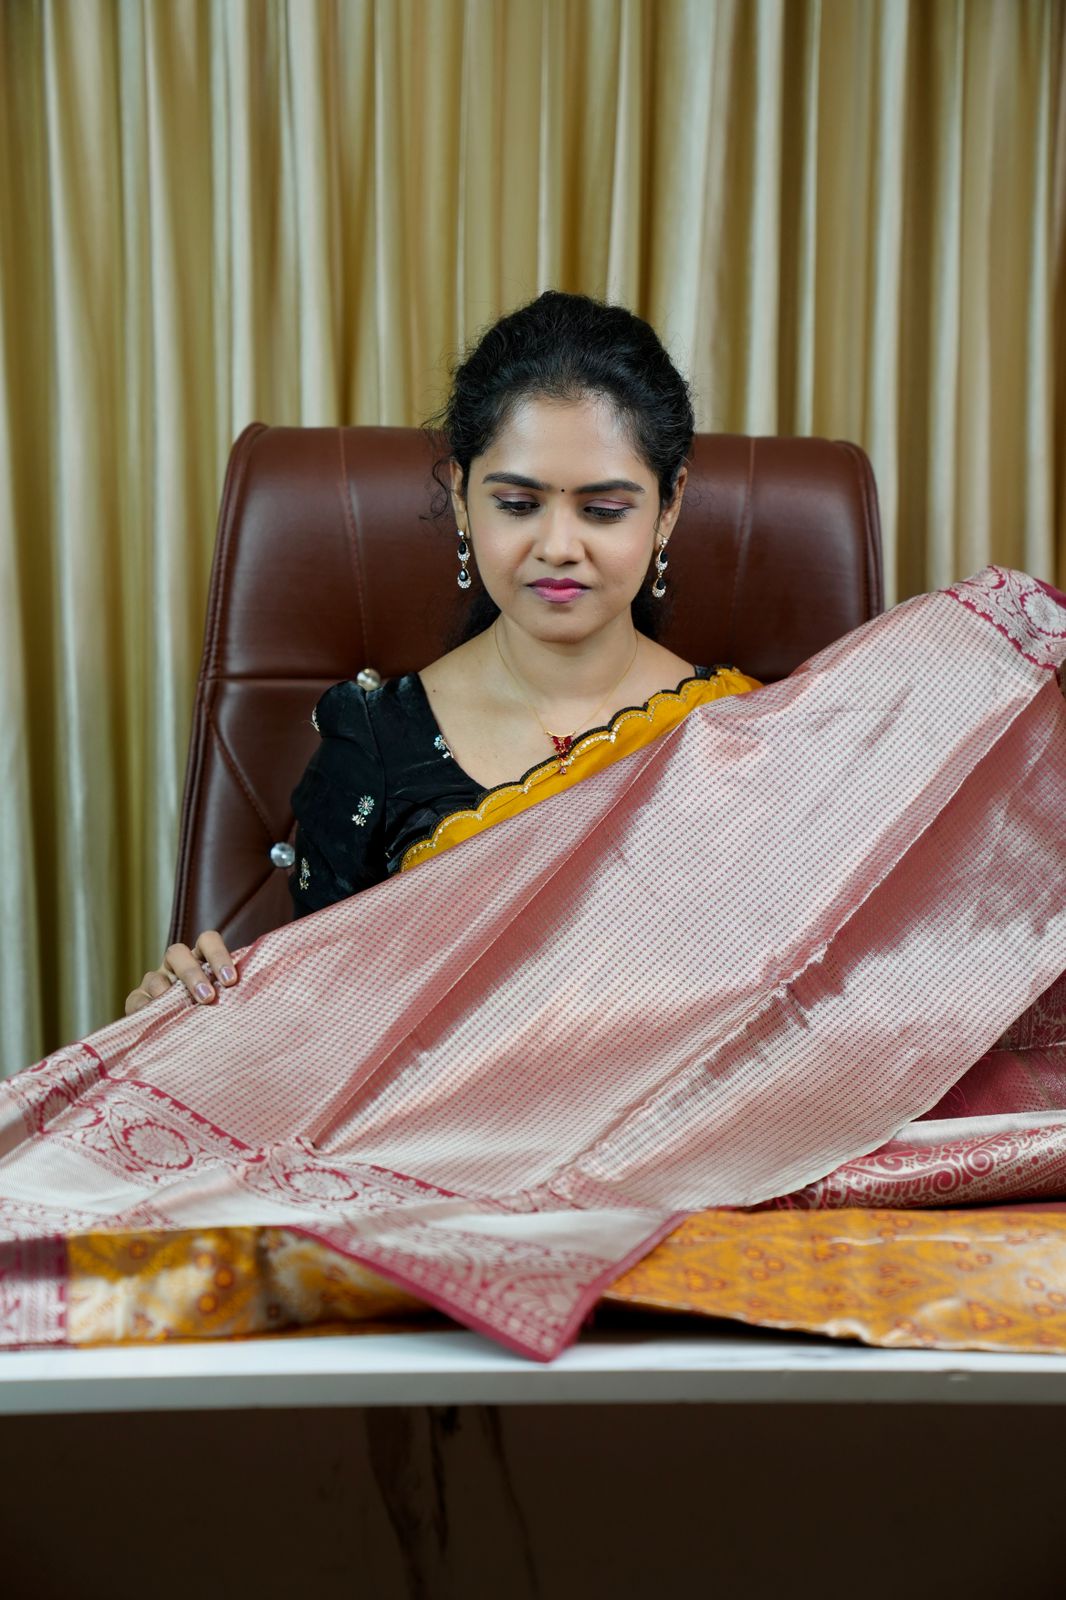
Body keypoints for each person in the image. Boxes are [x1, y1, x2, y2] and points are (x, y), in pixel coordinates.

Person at [124, 291, 760, 1015]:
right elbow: (313, 1022)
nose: (558, 546)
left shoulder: (741, 735)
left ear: (669, 506)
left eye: (603, 510)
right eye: (517, 505)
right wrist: (193, 1017)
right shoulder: (373, 746)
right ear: (461, 496)